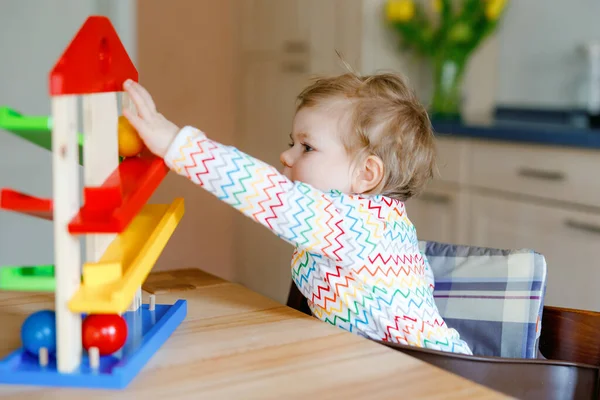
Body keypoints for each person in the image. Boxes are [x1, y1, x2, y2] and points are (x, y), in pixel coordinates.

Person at [122, 71, 472, 355]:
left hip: (430, 376)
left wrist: (174, 143)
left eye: (307, 146)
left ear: (366, 175)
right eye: (292, 142)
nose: (286, 156)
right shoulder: (385, 221)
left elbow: (266, 193)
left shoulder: (352, 224)